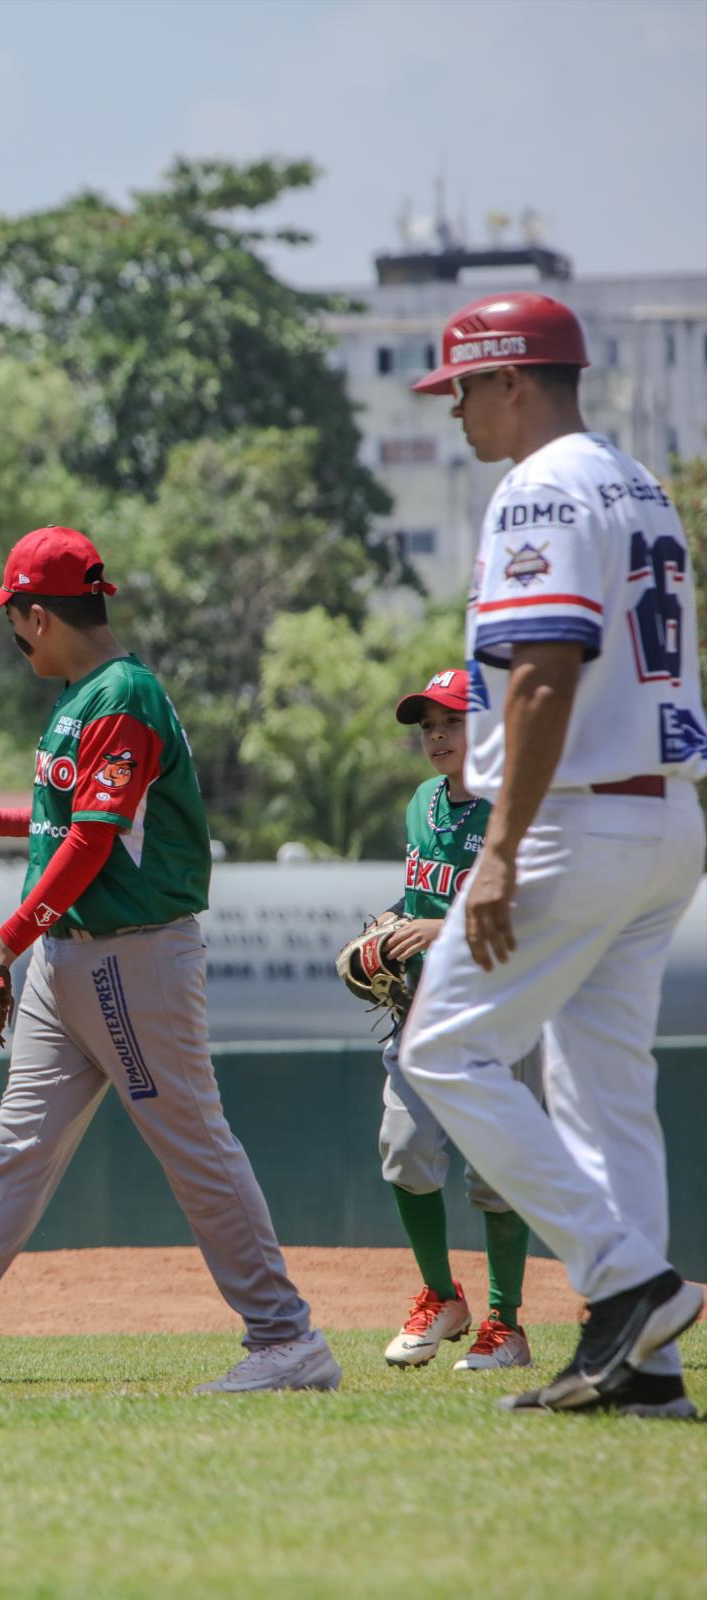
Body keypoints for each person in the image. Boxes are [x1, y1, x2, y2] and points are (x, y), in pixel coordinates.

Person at [0, 526, 339, 1396]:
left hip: (130, 959)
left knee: (194, 1146)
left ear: (37, 612)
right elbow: (75, 820)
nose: (12, 635)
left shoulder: (122, 695)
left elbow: (97, 841)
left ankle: (286, 1339)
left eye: (13, 619)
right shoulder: (84, 696)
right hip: (71, 959)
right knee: (17, 1146)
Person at [400, 291, 706, 1418]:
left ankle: (627, 1284)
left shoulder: (536, 484)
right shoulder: (636, 479)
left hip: (575, 815)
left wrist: (497, 848)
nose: (455, 413)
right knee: (602, 1088)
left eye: (463, 388)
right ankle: (645, 1371)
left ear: (511, 378)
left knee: (440, 1052)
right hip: (664, 812)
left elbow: (538, 672)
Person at [368, 670, 539, 1372]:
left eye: (452, 722)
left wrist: (436, 931)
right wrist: (389, 924)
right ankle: (443, 1297)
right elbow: (419, 898)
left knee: (496, 1174)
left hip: (498, 1009)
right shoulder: (421, 803)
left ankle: (507, 1325)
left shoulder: (513, 807)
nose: (436, 736)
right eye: (427, 726)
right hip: (422, 1010)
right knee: (404, 1150)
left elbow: (530, 913)